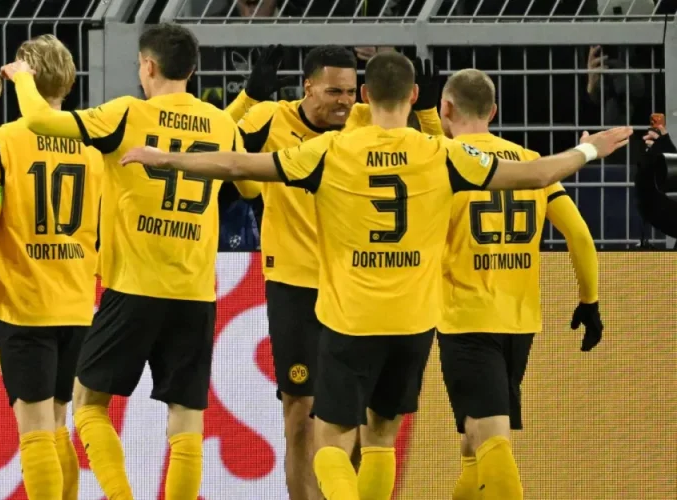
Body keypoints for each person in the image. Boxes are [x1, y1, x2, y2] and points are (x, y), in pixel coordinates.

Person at [116, 51, 633, 500]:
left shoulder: (332, 151)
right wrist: (592, 148)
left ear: (365, 95)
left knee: (329, 444)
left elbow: (238, 167)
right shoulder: (444, 153)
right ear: (415, 96)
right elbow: (538, 174)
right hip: (415, 324)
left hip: (352, 320)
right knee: (382, 440)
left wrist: (166, 158)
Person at [2, 22, 244, 500]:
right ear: (192, 70)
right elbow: (251, 186)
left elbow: (42, 121)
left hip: (134, 286)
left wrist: (23, 78)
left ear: (148, 66)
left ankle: (120, 496)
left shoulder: (127, 114)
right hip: (196, 290)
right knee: (186, 418)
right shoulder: (222, 124)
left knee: (88, 404)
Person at [233, 46, 444, 499]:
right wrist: (248, 98)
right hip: (296, 284)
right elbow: (214, 145)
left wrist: (426, 110)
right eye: (334, 92)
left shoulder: (368, 121)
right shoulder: (270, 118)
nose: (345, 102)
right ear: (308, 87)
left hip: (356, 292)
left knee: (363, 424)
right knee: (300, 414)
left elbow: (438, 156)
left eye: (350, 91)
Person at [436, 68, 603, 500]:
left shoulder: (442, 159)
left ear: (445, 108)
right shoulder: (532, 162)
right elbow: (580, 235)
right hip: (519, 322)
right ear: (492, 111)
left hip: (466, 320)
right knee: (472, 444)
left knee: (491, 441)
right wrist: (589, 300)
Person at [0, 34, 101, 500]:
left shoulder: (2, 141)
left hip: (25, 301)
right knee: (57, 423)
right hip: (77, 301)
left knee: (33, 430)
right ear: (68, 80)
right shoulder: (92, 144)